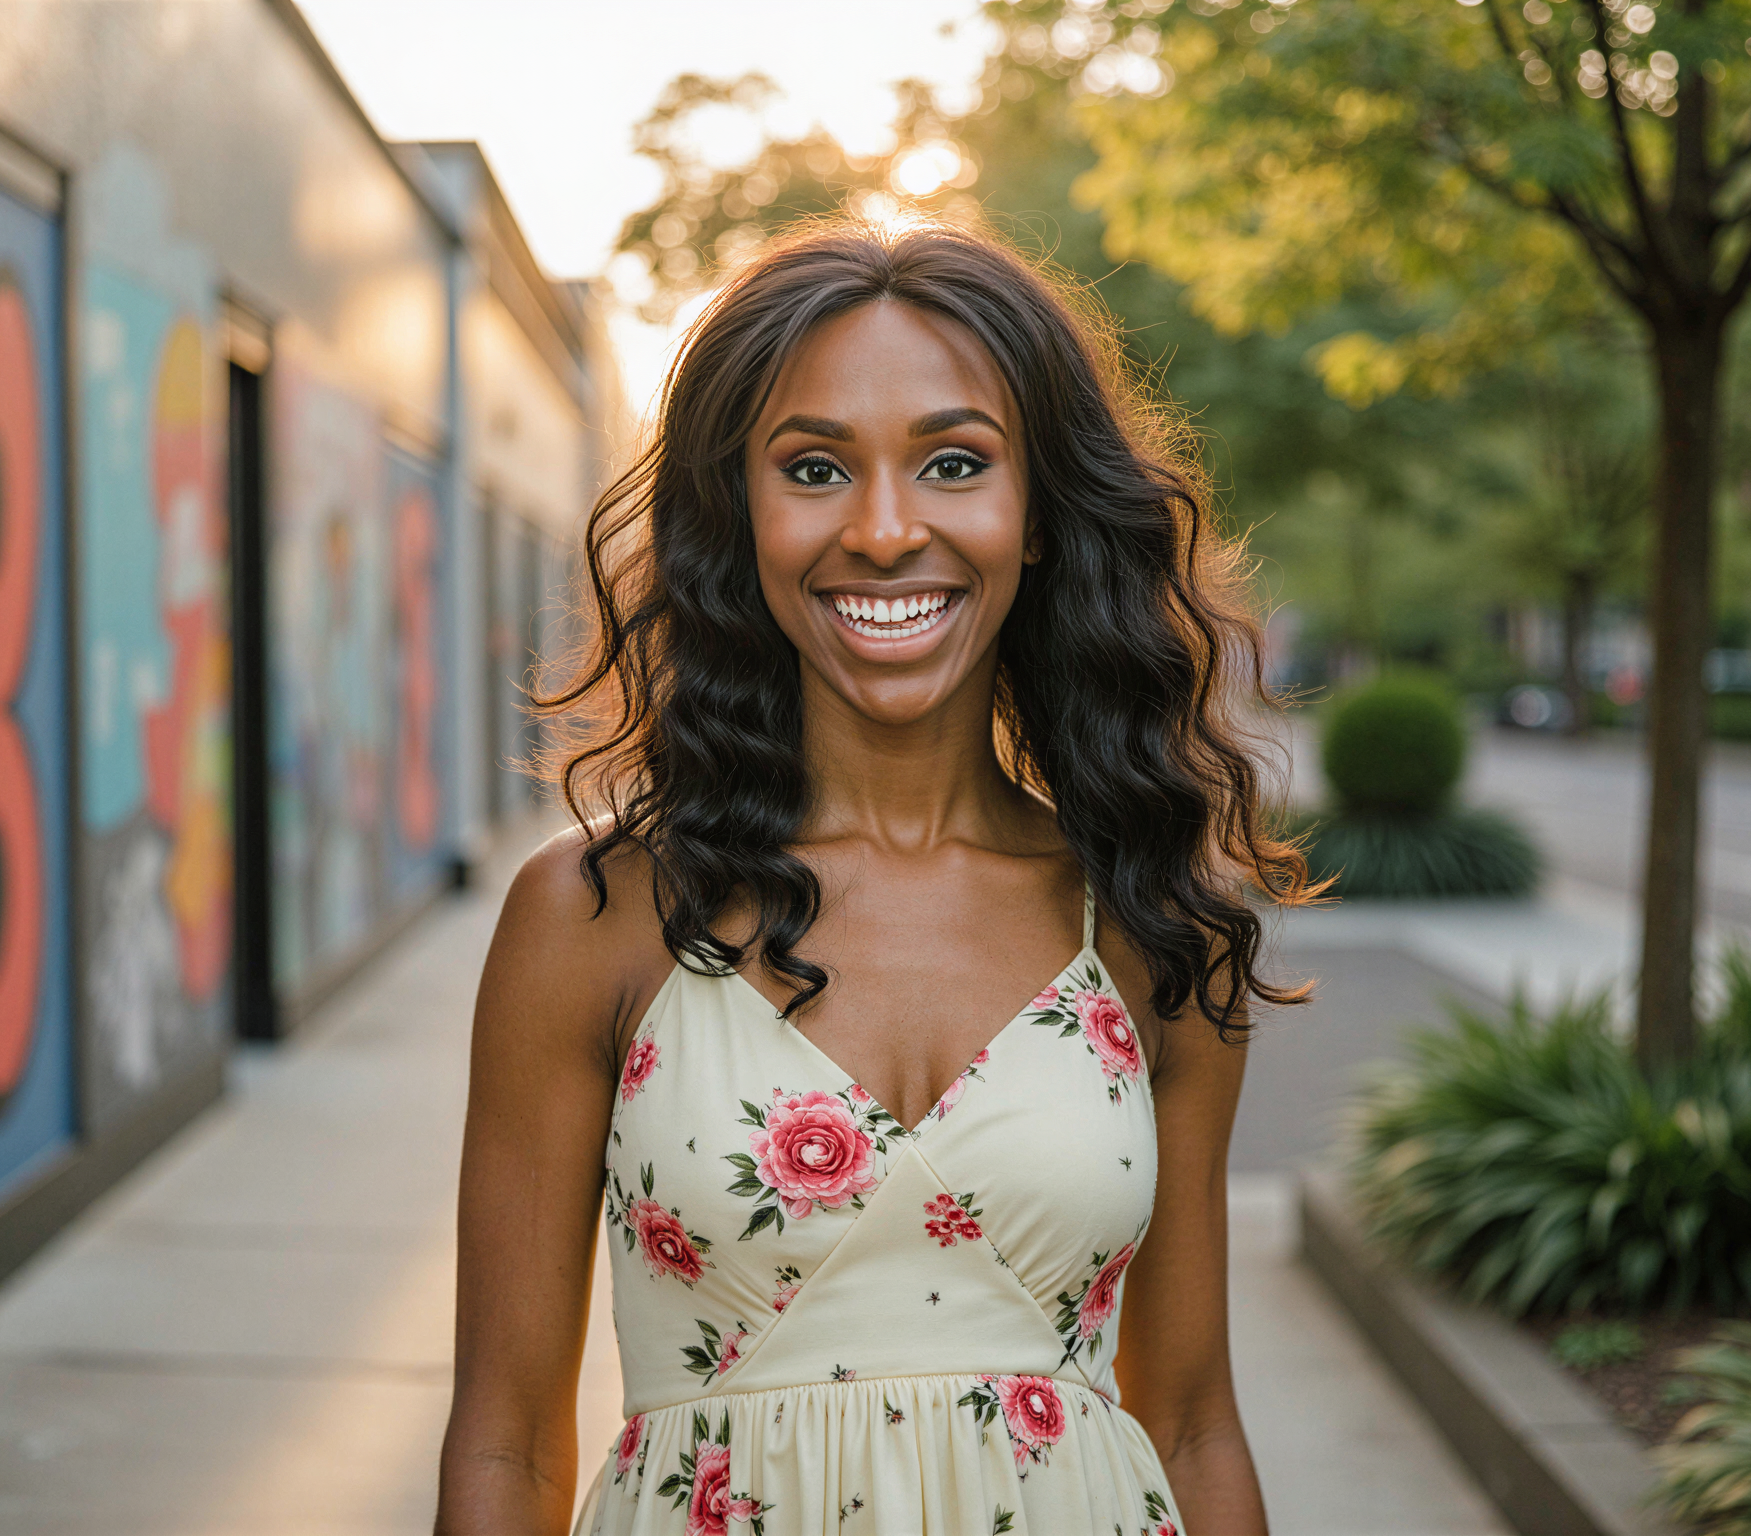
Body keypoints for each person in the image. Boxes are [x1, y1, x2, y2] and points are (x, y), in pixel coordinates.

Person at [435, 216, 1310, 1536]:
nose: (887, 530)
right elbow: (504, 1446)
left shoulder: (1148, 921)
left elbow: (1190, 1417)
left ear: (1039, 516)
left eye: (954, 463)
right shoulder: (598, 918)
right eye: (816, 468)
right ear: (740, 513)